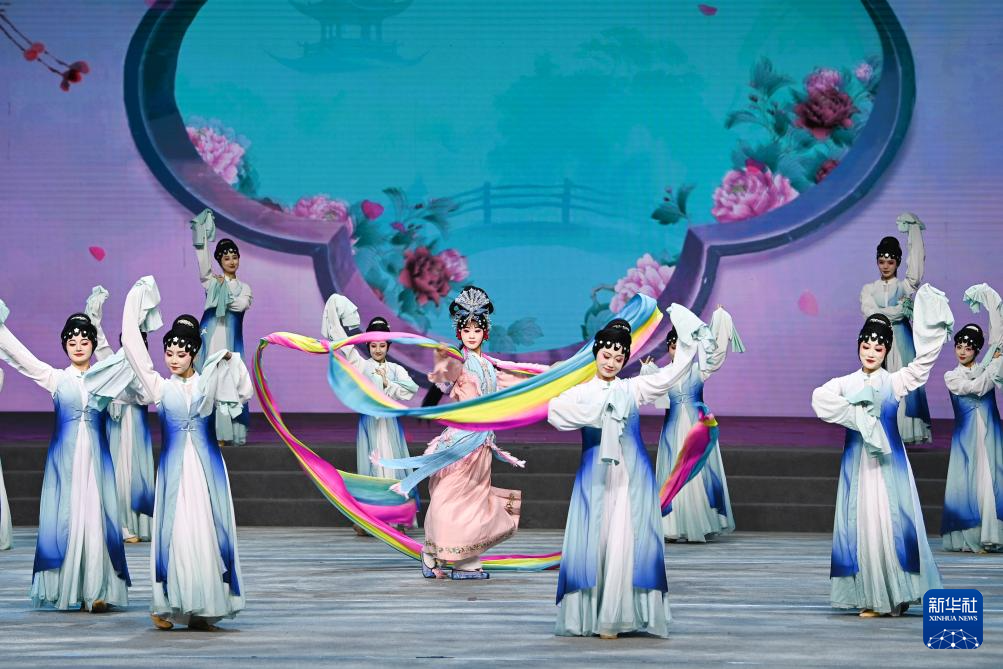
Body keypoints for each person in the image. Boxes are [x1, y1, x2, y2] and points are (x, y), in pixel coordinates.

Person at [547, 305, 713, 638]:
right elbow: (555, 413)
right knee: (595, 542)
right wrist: (601, 411)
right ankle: (588, 617)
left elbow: (671, 375)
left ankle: (617, 617)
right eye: (606, 355)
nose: (611, 362)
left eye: (618, 358)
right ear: (596, 353)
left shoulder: (631, 389)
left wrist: (687, 336)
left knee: (626, 541)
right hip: (595, 479)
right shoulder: (581, 392)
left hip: (630, 481)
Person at [812, 284, 950, 617]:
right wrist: (858, 416)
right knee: (865, 525)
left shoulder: (894, 381)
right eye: (866, 345)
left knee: (894, 523)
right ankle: (874, 597)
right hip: (859, 466)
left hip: (890, 464)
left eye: (878, 346)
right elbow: (819, 399)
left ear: (887, 349)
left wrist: (932, 321)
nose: (871, 351)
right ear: (858, 345)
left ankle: (898, 593)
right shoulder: (845, 383)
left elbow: (922, 365)